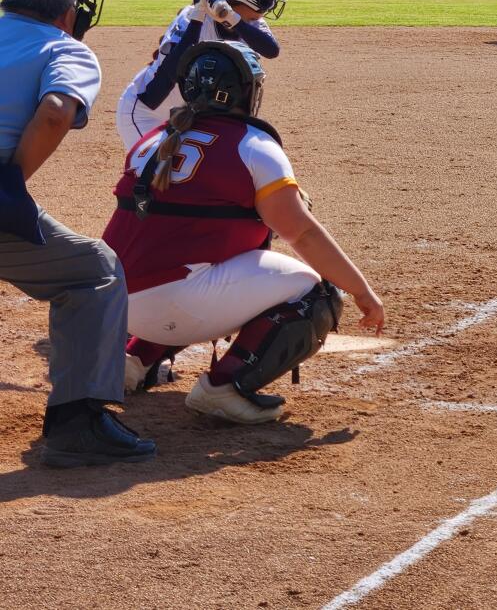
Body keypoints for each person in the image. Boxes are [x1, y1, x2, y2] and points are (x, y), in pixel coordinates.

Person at [102, 41, 386, 423]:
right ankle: (224, 387)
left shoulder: (152, 140)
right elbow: (302, 234)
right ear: (246, 90)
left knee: (196, 261)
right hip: (175, 300)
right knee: (316, 291)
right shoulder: (253, 145)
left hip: (114, 302)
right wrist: (361, 290)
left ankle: (132, 360)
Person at [0, 0, 156, 466]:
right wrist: (11, 182)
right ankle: (76, 425)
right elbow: (54, 110)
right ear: (70, 12)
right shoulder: (63, 49)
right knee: (93, 271)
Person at [115, 0, 285, 151]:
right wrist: (198, 15)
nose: (270, 3)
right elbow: (160, 85)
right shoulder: (191, 18)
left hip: (190, 117)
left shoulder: (250, 22)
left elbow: (271, 50)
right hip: (148, 113)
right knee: (154, 175)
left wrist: (231, 18)